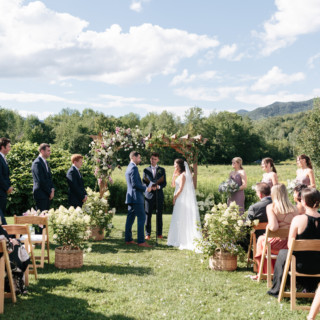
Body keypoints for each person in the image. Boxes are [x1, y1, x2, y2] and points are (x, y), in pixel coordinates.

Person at [268, 188, 320, 298]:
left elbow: (290, 245)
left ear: (304, 202)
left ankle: (278, 288)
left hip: (300, 266)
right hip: (318, 265)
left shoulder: (298, 220)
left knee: (283, 253)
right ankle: (309, 286)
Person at [254, 184, 298, 276]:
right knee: (263, 239)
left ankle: (263, 272)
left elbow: (274, 227)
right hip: (291, 244)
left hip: (277, 245)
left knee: (261, 240)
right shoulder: (295, 208)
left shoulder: (271, 207)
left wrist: (268, 227)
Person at [167, 159, 202, 252]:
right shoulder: (179, 175)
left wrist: (175, 197)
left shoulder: (183, 175)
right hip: (179, 198)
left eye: (175, 164)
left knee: (182, 217)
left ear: (179, 165)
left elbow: (181, 188)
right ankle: (178, 238)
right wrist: (173, 176)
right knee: (178, 218)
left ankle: (183, 239)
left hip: (181, 198)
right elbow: (173, 185)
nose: (174, 166)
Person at [125, 151, 154, 247]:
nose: (140, 160)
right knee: (142, 218)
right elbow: (135, 184)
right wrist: (146, 188)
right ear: (133, 157)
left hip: (130, 197)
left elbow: (134, 183)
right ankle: (141, 241)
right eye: (139, 158)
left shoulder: (128, 167)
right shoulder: (134, 168)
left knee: (130, 219)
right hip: (136, 198)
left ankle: (128, 239)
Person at [0, 217, 30, 295]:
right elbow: (8, 249)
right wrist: (13, 242)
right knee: (18, 247)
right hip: (2, 263)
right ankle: (16, 285)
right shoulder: (1, 230)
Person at [143, 152, 166, 240]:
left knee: (159, 214)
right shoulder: (145, 170)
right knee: (148, 215)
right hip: (149, 195)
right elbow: (144, 182)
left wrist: (158, 186)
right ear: (150, 159)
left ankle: (159, 233)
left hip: (159, 195)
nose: (153, 161)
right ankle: (147, 233)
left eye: (155, 159)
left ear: (158, 160)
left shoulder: (162, 170)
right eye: (152, 159)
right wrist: (148, 187)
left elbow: (164, 183)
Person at [31, 143, 55, 212]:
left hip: (46, 193)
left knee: (45, 217)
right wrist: (49, 191)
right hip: (40, 194)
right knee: (41, 217)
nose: (50, 152)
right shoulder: (37, 163)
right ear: (42, 151)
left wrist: (52, 189)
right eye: (48, 151)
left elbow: (49, 178)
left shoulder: (45, 162)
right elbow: (40, 180)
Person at [0, 137, 13, 225]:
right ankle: (7, 235)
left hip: (3, 192)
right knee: (1, 218)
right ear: (2, 147)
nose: (9, 148)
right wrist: (7, 187)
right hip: (0, 192)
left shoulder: (3, 158)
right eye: (8, 146)